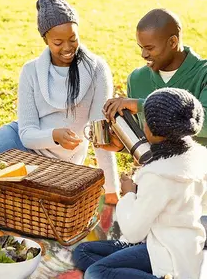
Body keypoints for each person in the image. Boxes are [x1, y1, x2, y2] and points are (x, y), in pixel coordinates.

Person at [0, 0, 120, 203]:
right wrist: (53, 135)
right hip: (19, 142)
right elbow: (26, 134)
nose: (68, 48)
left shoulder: (97, 69)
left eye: (73, 38)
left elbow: (100, 136)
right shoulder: (31, 71)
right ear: (45, 40)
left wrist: (111, 189)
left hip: (55, 165)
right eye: (58, 42)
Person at [73, 87, 207, 279]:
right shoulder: (198, 156)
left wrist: (129, 194)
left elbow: (133, 231)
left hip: (166, 255)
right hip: (180, 246)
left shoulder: (158, 175)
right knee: (83, 252)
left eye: (145, 120)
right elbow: (173, 184)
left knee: (96, 272)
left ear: (152, 129)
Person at [102, 8, 207, 151]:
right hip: (157, 169)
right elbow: (145, 141)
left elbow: (203, 122)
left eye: (149, 48)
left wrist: (142, 106)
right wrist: (122, 146)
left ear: (172, 42)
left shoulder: (203, 74)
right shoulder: (137, 79)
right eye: (141, 47)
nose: (143, 54)